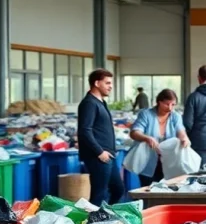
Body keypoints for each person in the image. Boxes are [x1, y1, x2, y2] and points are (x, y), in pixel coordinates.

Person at [77, 69, 125, 206]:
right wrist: (99, 152)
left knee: (118, 189)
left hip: (108, 155)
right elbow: (84, 131)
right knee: (100, 194)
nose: (111, 86)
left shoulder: (101, 103)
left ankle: (107, 217)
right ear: (97, 83)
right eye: (107, 83)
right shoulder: (89, 103)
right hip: (98, 156)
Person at [128, 89, 190, 187]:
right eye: (166, 104)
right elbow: (134, 132)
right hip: (148, 159)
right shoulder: (146, 114)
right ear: (159, 102)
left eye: (173, 105)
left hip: (168, 160)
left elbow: (180, 131)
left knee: (168, 188)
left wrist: (184, 139)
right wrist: (146, 138)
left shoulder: (175, 116)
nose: (170, 108)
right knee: (147, 188)